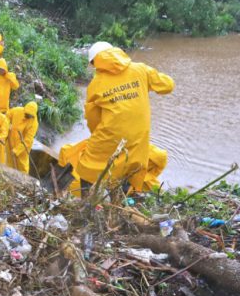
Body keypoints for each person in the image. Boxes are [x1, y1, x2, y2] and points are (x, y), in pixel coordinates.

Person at [59, 41, 175, 194]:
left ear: (95, 62)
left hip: (111, 137)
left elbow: (93, 121)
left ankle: (87, 203)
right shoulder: (140, 69)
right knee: (128, 168)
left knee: (87, 165)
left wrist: (99, 140)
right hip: (138, 138)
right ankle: (120, 201)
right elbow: (168, 85)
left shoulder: (96, 84)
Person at [6, 101, 39, 174]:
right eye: (26, 114)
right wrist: (8, 124)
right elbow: (8, 115)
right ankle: (8, 175)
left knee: (22, 166)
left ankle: (23, 180)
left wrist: (16, 150)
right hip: (10, 140)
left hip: (23, 147)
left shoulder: (34, 124)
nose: (28, 116)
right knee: (8, 160)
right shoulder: (17, 110)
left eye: (30, 115)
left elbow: (28, 140)